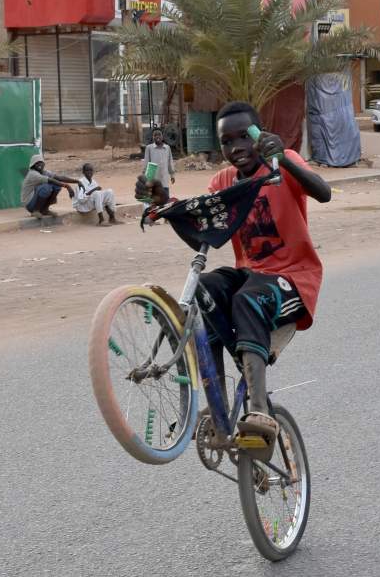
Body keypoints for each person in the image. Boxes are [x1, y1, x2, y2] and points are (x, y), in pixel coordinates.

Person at [136, 101, 331, 445]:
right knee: (204, 288)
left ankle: (259, 411)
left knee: (247, 298)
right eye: (227, 141)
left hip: (294, 280)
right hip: (252, 275)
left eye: (245, 136)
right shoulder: (224, 181)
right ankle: (217, 407)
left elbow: (323, 192)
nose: (237, 147)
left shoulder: (280, 162)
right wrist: (163, 203)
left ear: (259, 135)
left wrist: (283, 158)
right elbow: (203, 230)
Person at [143, 128, 177, 198]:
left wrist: (172, 175)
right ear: (153, 137)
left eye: (159, 134)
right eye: (155, 135)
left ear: (162, 136)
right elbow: (146, 163)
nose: (157, 136)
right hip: (154, 179)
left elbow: (170, 162)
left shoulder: (167, 148)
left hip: (164, 178)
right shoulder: (149, 148)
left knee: (165, 200)